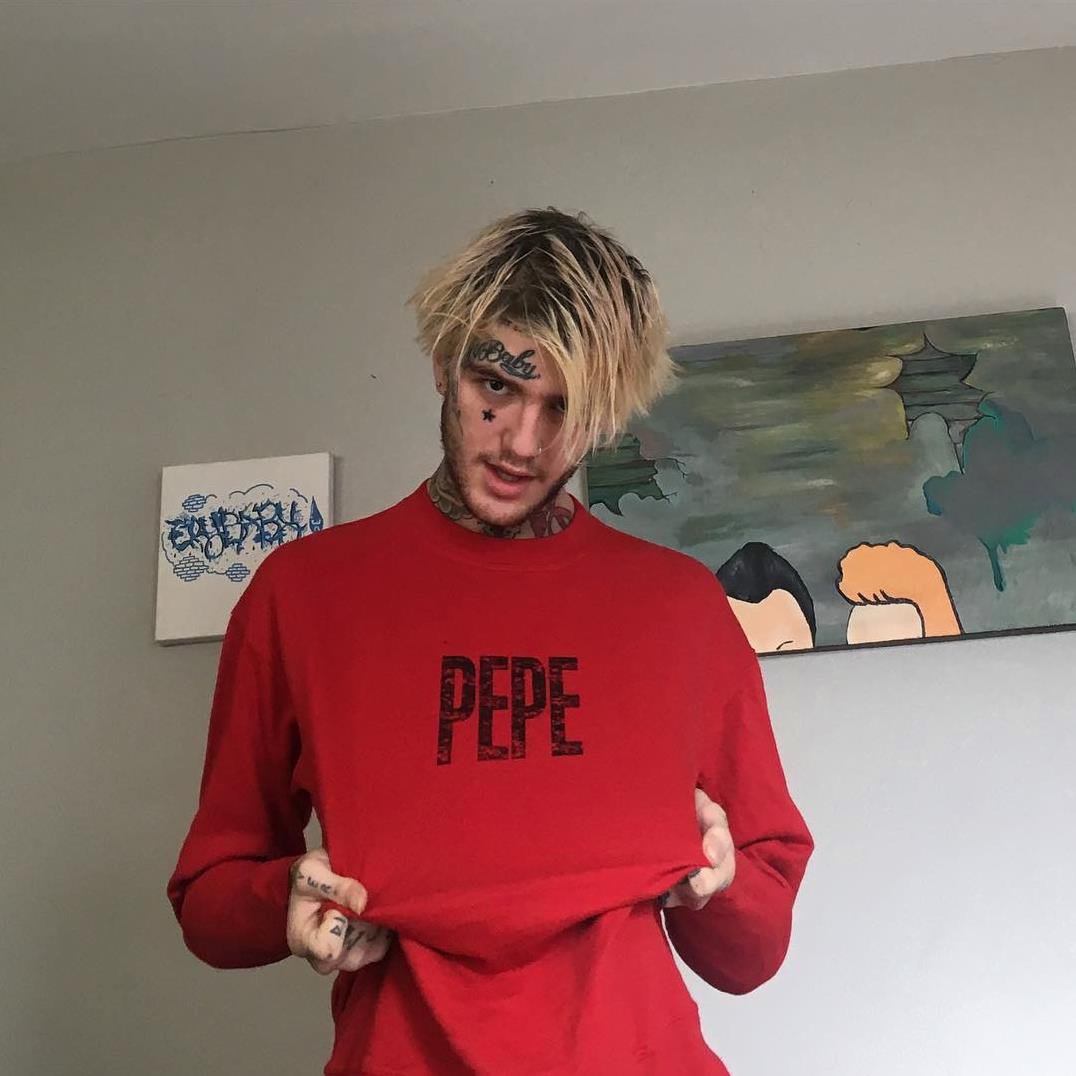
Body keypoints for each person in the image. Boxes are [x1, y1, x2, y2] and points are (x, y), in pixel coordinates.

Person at [166, 208, 814, 1075]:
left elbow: (753, 956)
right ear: (445, 362)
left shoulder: (681, 607)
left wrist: (716, 886)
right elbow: (209, 898)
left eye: (564, 409)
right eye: (497, 387)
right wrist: (280, 898)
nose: (521, 442)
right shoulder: (303, 594)